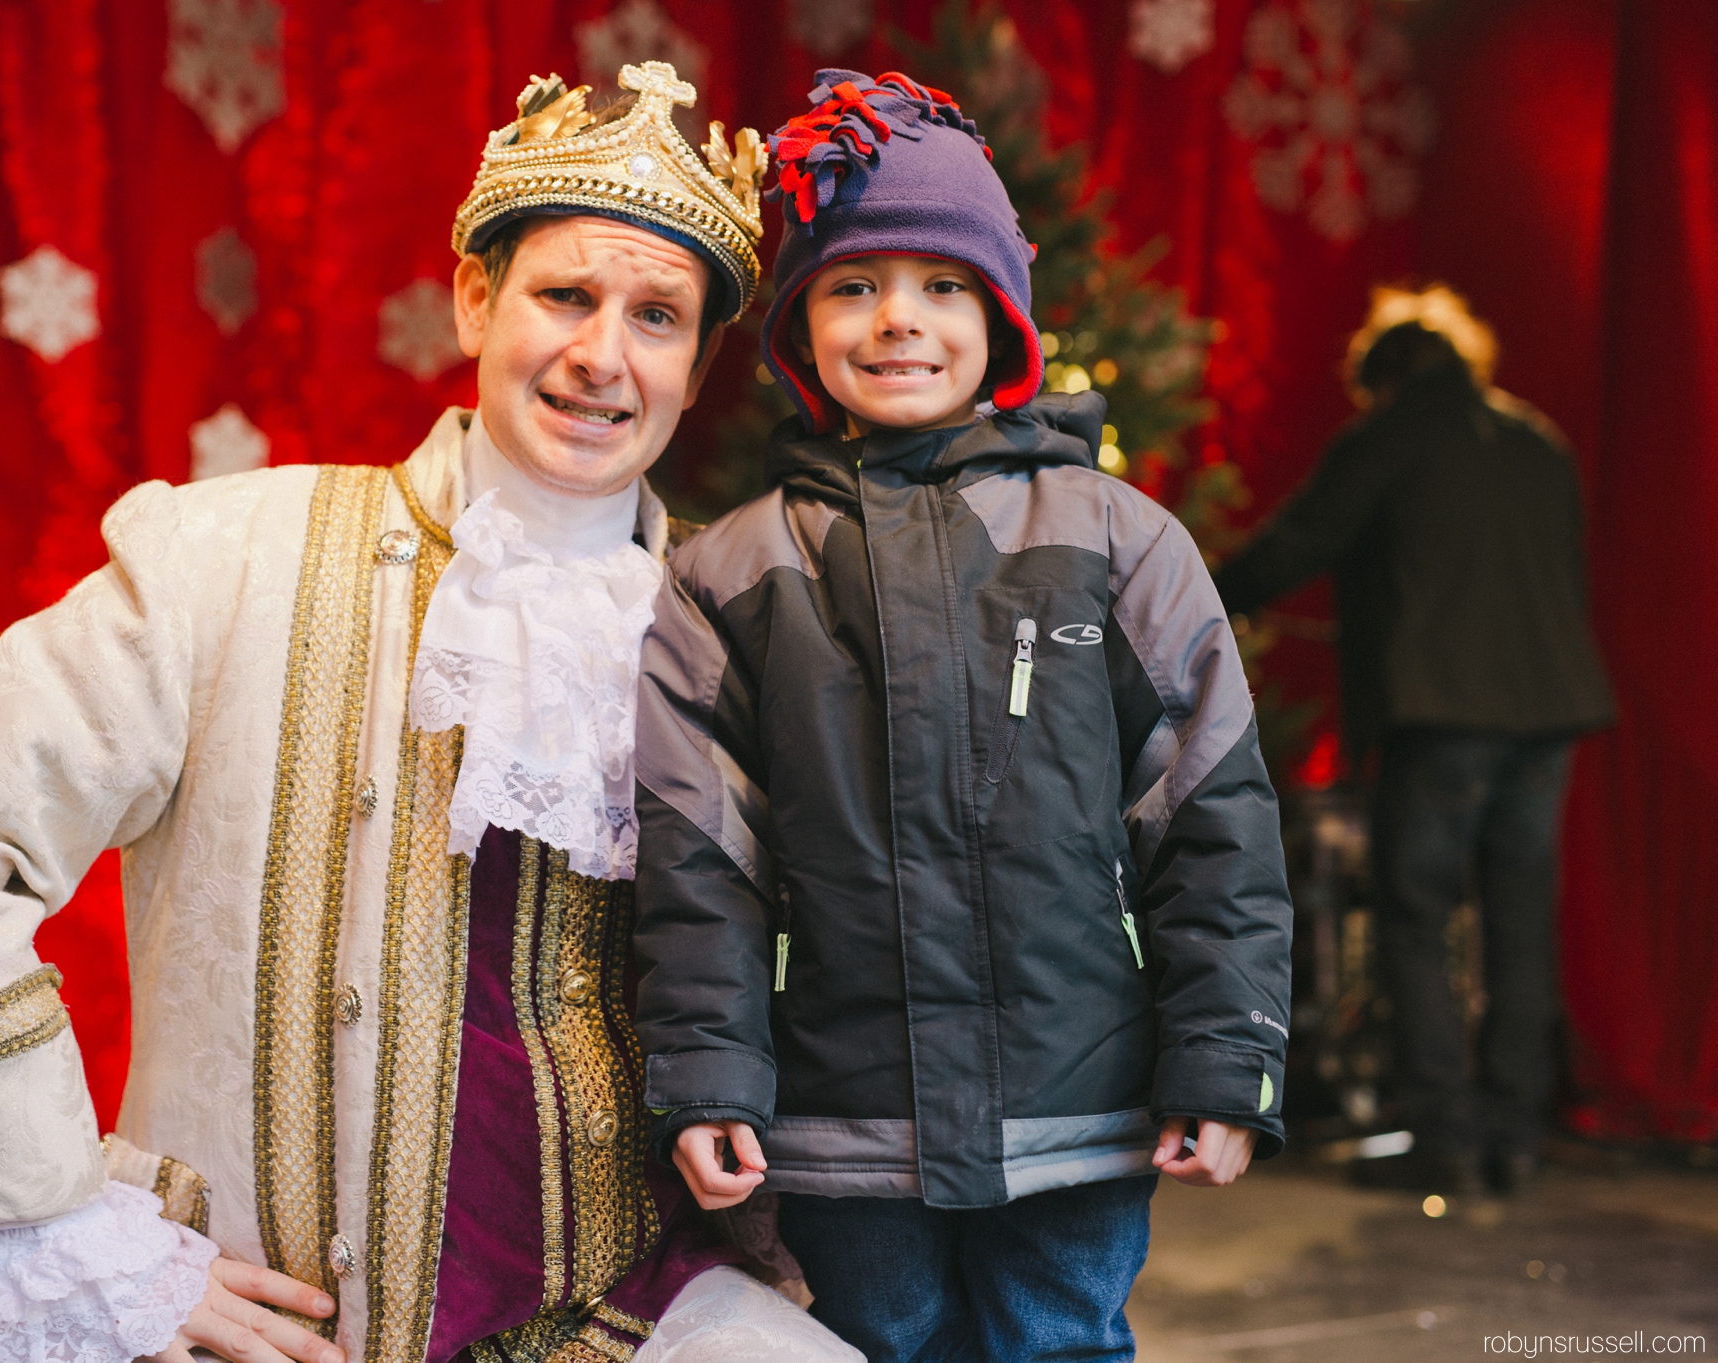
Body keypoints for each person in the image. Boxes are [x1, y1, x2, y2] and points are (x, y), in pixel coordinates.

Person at [0, 63, 860, 1363]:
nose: (602, 355)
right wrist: (59, 1221)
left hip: (631, 1310)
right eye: (566, 295)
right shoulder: (227, 559)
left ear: (698, 369)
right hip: (283, 1327)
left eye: (657, 317)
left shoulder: (744, 629)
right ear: (477, 298)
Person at [630, 71, 1293, 1362]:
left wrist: (1225, 1059)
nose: (899, 322)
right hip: (842, 1121)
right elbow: (699, 860)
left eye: (942, 285)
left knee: (1058, 1339)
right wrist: (707, 1075)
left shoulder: (1116, 539)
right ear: (798, 325)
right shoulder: (732, 573)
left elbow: (1212, 816)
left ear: (1003, 318)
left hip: (1080, 1104)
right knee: (876, 1341)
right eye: (851, 285)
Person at [1214, 286, 1616, 1195]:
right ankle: (1512, 1139)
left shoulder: (1389, 435)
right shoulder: (1536, 441)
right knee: (1520, 926)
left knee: (1414, 919)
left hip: (1442, 716)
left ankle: (1443, 1144)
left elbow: (1299, 540)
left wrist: (1205, 597)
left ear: (1383, 375)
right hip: (1547, 714)